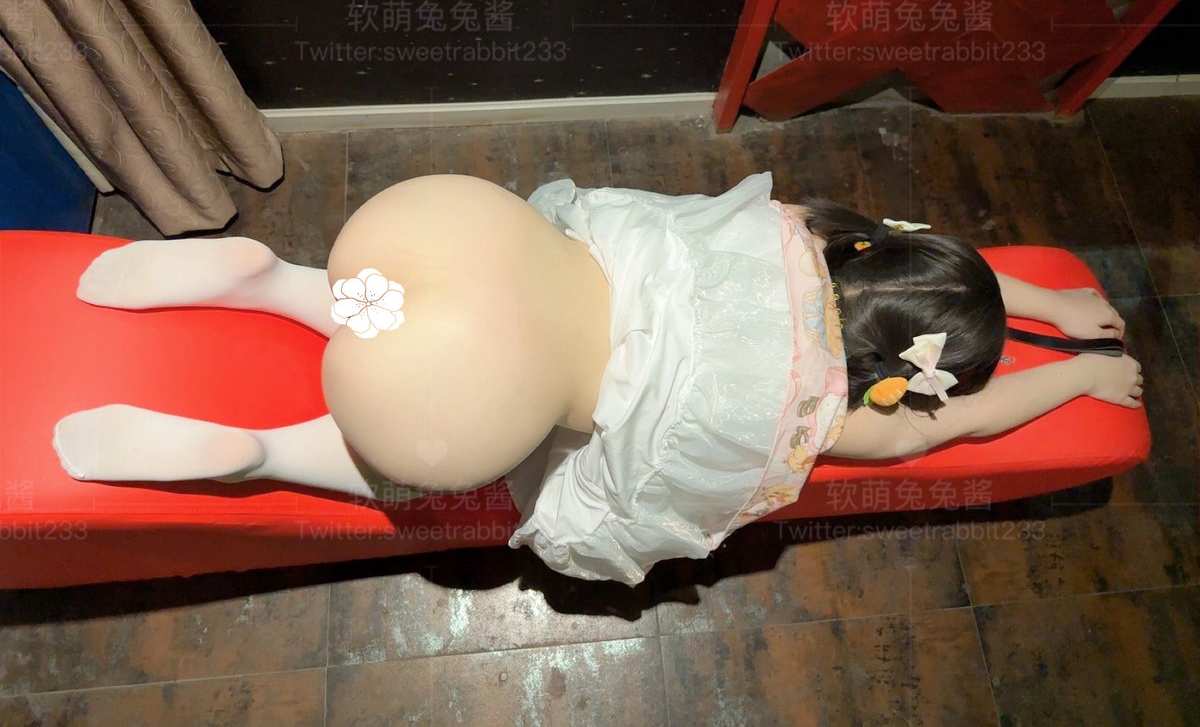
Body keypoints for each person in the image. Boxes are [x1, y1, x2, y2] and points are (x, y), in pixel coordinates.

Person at [52, 171, 1142, 584]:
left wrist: (1044, 306)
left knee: (397, 305)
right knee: (435, 449)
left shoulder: (799, 229)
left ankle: (277, 280)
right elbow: (935, 431)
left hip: (452, 225)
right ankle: (258, 454)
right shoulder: (821, 412)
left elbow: (910, 254)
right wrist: (1078, 380)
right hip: (461, 390)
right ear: (896, 376)